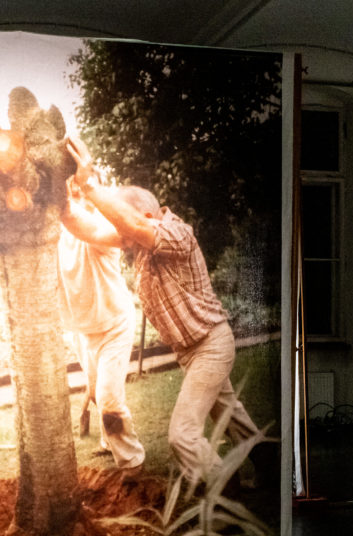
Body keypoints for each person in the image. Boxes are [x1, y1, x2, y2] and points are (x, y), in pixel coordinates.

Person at [63, 135, 259, 484]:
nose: (117, 229)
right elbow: (88, 227)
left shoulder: (177, 233)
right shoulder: (137, 244)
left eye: (123, 219)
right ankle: (274, 464)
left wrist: (90, 183)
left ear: (149, 215)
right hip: (190, 352)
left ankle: (221, 497)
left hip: (210, 346)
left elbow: (134, 226)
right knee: (232, 416)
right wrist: (59, 198)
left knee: (182, 436)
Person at [59, 190, 146, 473]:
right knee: (98, 395)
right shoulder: (52, 237)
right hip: (84, 331)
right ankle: (109, 441)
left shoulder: (99, 229)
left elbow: (112, 233)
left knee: (108, 399)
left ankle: (132, 462)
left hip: (114, 325)